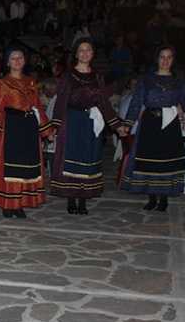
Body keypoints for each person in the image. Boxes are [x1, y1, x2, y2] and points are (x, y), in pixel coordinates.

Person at [50, 38, 127, 214]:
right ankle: (71, 199)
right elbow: (61, 102)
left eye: (88, 50)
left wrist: (117, 125)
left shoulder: (97, 77)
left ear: (93, 54)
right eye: (82, 50)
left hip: (91, 123)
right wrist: (55, 126)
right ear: (76, 54)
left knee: (88, 159)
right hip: (72, 122)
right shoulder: (68, 76)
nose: (85, 53)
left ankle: (83, 200)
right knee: (72, 161)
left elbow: (104, 103)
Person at [0, 48, 54, 217]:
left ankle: (19, 204)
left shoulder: (31, 82)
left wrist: (46, 129)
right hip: (11, 127)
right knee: (11, 168)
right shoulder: (2, 83)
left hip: (28, 127)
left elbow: (37, 107)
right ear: (7, 62)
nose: (17, 60)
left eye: (20, 57)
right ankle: (9, 204)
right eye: (13, 58)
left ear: (24, 60)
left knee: (26, 168)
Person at [122, 46, 185, 210]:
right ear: (157, 59)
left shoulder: (180, 81)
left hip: (170, 125)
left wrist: (184, 114)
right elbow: (136, 102)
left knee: (166, 162)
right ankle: (151, 198)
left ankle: (164, 199)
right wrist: (128, 123)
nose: (165, 60)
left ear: (173, 60)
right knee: (149, 161)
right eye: (162, 57)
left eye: (169, 57)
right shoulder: (146, 80)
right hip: (150, 124)